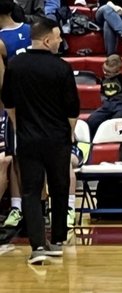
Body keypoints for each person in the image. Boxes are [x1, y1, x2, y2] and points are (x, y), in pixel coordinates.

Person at [0, 19, 78, 265]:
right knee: (59, 188)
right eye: (57, 37)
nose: (60, 41)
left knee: (31, 192)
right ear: (46, 40)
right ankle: (56, 240)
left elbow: (8, 103)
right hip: (57, 139)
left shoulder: (15, 65)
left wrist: (19, 126)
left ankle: (37, 247)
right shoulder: (62, 68)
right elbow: (72, 109)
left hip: (28, 139)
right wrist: (71, 132)